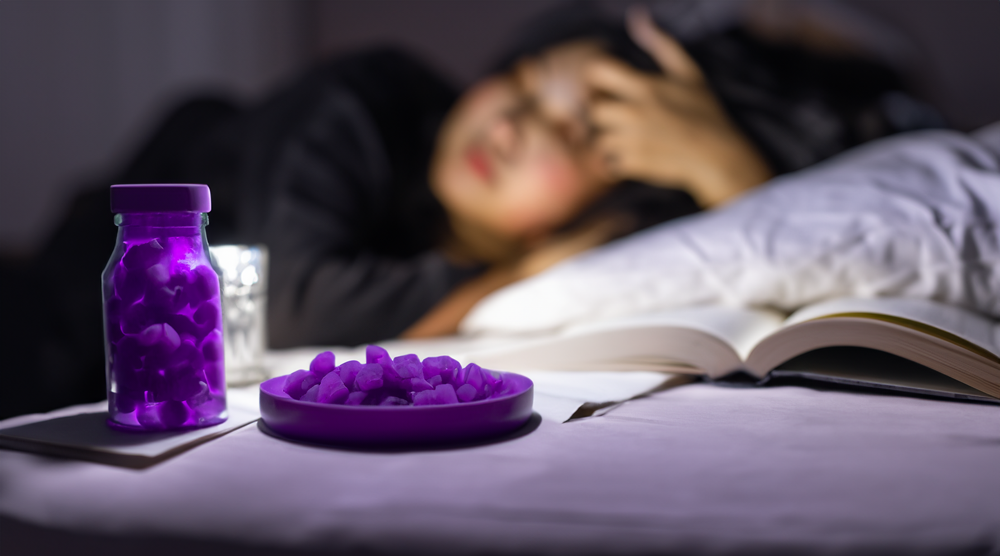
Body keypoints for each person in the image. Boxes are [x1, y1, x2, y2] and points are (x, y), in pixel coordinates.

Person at [0, 2, 931, 417]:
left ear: (611, 203)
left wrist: (719, 157)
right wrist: (526, 268)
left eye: (576, 136)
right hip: (55, 313)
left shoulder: (617, 241)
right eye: (525, 85)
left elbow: (804, 241)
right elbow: (298, 312)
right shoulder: (367, 96)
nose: (520, 123)